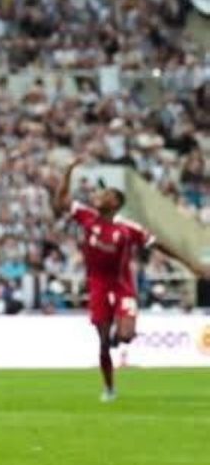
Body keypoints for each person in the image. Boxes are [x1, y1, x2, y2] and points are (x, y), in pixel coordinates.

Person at [52, 160, 204, 401]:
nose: (99, 196)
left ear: (116, 204)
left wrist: (190, 264)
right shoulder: (87, 217)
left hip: (122, 286)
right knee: (103, 344)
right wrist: (69, 171)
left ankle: (117, 334)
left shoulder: (126, 229)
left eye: (106, 195)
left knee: (127, 335)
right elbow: (60, 202)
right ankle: (109, 388)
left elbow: (159, 245)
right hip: (98, 286)